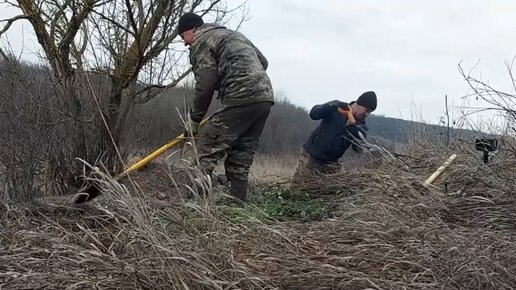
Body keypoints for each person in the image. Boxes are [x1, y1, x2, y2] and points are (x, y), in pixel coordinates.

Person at [178, 12, 274, 201]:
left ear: (192, 30)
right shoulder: (234, 35)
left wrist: (194, 120)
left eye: (183, 37)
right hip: (264, 97)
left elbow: (205, 84)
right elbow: (263, 62)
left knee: (207, 148)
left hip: (240, 95)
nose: (185, 43)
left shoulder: (202, 41)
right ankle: (238, 204)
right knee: (241, 155)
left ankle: (193, 207)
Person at [292, 91, 377, 182]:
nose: (367, 114)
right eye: (366, 110)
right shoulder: (337, 107)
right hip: (310, 156)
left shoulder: (361, 127)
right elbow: (314, 114)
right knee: (298, 189)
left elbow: (357, 149)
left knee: (329, 193)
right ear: (358, 103)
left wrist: (359, 135)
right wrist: (332, 106)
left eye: (370, 112)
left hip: (331, 165)